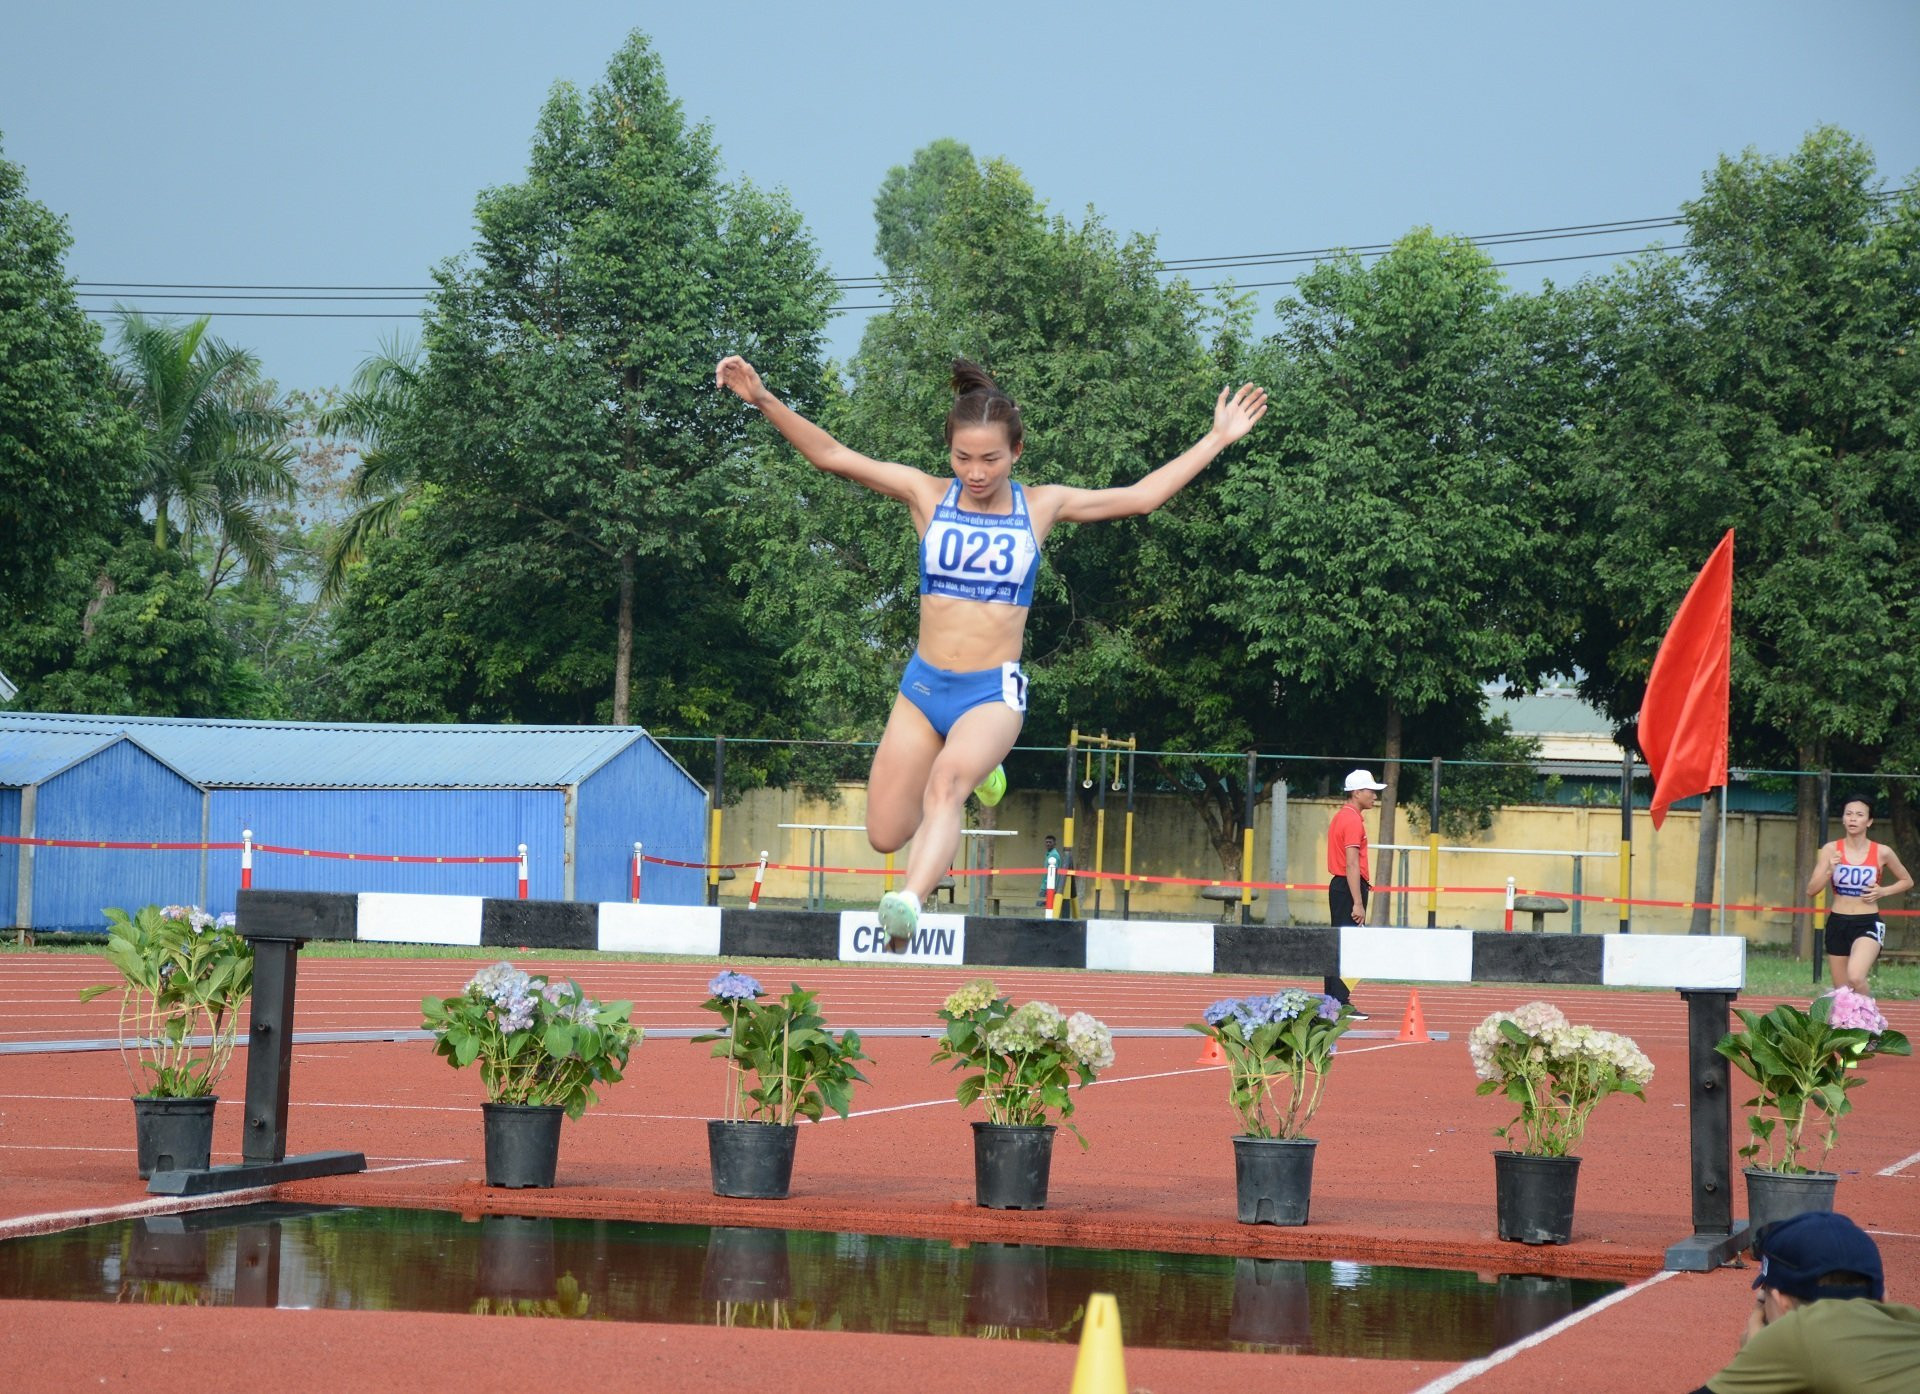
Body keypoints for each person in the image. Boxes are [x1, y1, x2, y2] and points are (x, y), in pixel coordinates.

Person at [716, 354, 1267, 948]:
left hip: (991, 691)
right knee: (884, 831)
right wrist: (764, 399)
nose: (975, 473)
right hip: (923, 688)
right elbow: (832, 455)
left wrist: (1216, 438)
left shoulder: (1042, 506)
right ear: (948, 452)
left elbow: (1138, 498)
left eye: (990, 459)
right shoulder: (925, 495)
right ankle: (981, 777)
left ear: (1017, 453)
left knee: (947, 785)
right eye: (962, 458)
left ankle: (907, 901)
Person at [1693, 1211, 1920, 1394]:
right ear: (1884, 1298)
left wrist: (1753, 1354)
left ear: (1781, 1302)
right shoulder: (1910, 1323)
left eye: (1763, 1301)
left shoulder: (1800, 1333)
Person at [1805, 794, 1913, 994]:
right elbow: (1811, 890)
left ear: (1869, 821)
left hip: (1868, 922)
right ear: (1844, 818)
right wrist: (1829, 870)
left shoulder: (1882, 852)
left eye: (1859, 814)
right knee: (1842, 990)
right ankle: (1851, 1024)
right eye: (1849, 814)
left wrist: (1882, 891)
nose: (1853, 818)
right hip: (1838, 922)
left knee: (1855, 976)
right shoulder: (1831, 850)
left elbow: (1907, 881)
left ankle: (1871, 1019)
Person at [1324, 768, 1384, 1021]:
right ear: (1357, 792)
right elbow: (1351, 863)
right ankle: (1339, 1002)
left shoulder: (1343, 816)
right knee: (1349, 945)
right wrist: (1357, 902)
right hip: (1349, 886)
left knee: (1341, 943)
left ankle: (1333, 1001)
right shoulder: (1351, 820)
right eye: (1370, 791)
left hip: (1343, 885)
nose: (1374, 796)